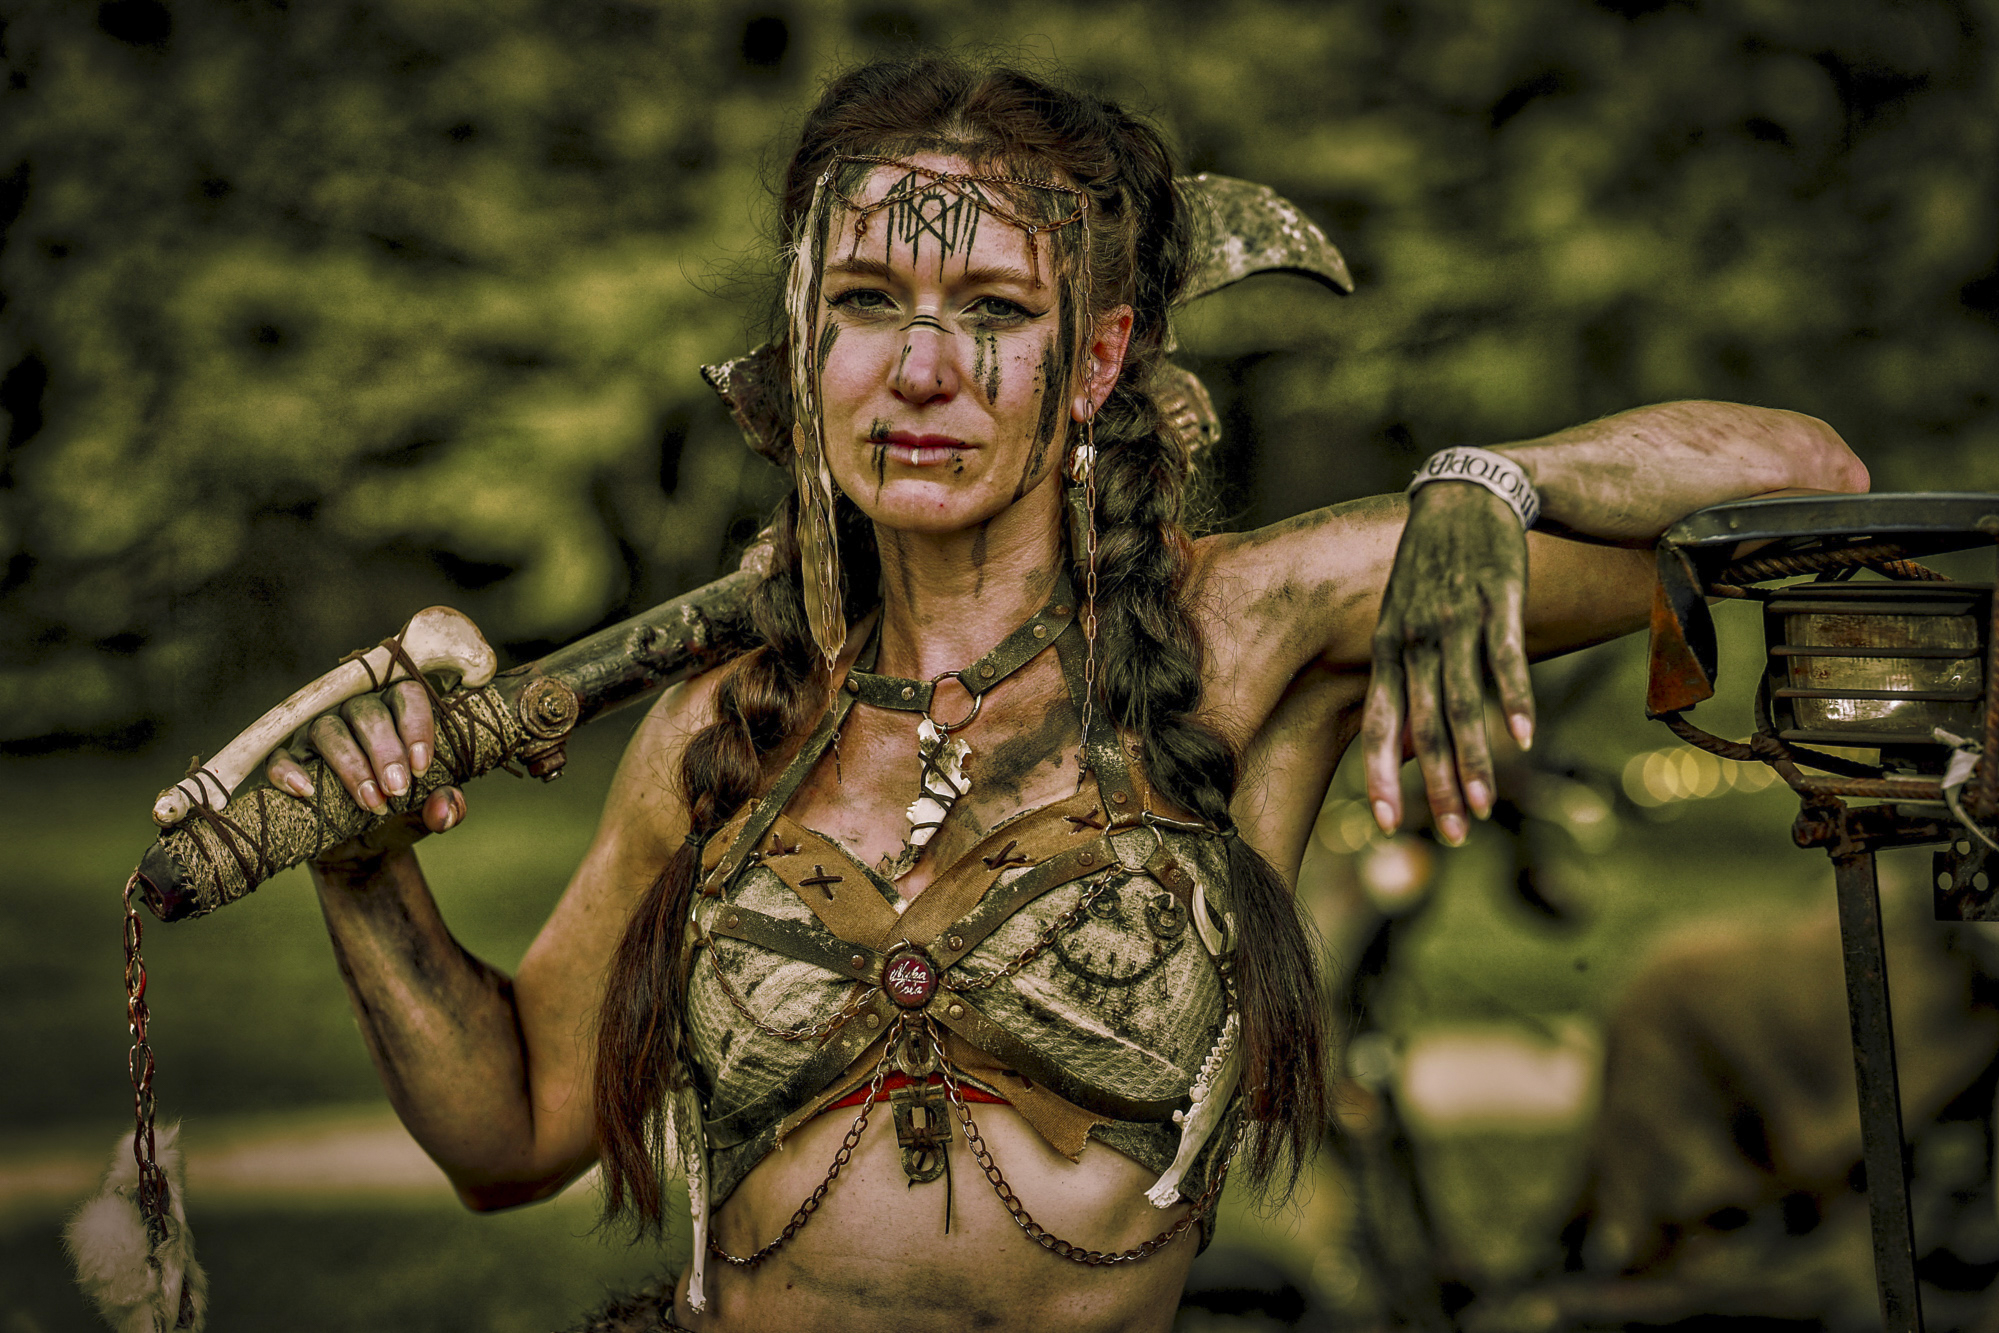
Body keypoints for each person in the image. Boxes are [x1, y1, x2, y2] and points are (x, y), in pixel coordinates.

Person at [265, 56, 1868, 1333]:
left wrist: (1486, 484)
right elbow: (510, 1131)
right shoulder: (724, 725)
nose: (921, 371)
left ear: (1095, 363)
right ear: (806, 348)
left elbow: (1804, 476)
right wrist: (363, 866)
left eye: (993, 311)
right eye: (867, 302)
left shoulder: (1251, 631)